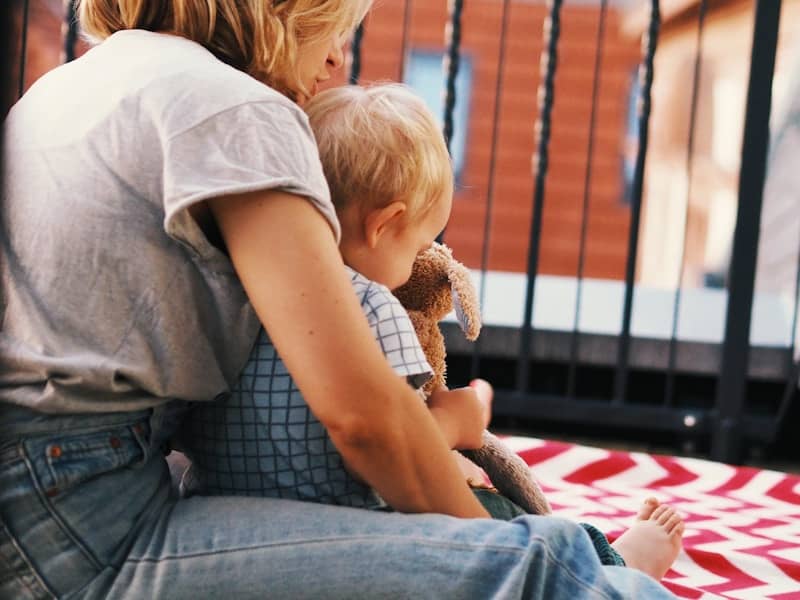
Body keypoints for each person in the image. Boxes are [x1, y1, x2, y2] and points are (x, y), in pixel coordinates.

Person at [0, 0, 681, 597]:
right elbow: (364, 420)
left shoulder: (71, 83)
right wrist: (496, 550)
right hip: (81, 527)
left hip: (43, 496)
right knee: (537, 568)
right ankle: (609, 570)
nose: (333, 59)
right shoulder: (235, 107)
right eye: (333, 22)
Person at [178, 82, 684, 575]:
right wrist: (456, 424)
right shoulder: (373, 309)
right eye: (420, 242)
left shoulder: (235, 294)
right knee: (513, 523)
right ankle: (616, 569)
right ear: (382, 225)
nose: (422, 259)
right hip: (357, 526)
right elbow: (390, 446)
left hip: (230, 524)